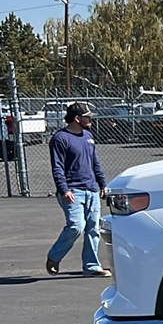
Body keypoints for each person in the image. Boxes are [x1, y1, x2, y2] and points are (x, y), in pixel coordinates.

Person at [46, 102, 110, 277]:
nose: (90, 120)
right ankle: (54, 256)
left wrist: (102, 184)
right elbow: (57, 167)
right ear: (77, 118)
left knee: (93, 228)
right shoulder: (60, 138)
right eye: (88, 117)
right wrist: (63, 189)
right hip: (72, 191)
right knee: (76, 225)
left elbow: (94, 162)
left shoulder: (88, 136)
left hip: (91, 190)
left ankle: (91, 267)